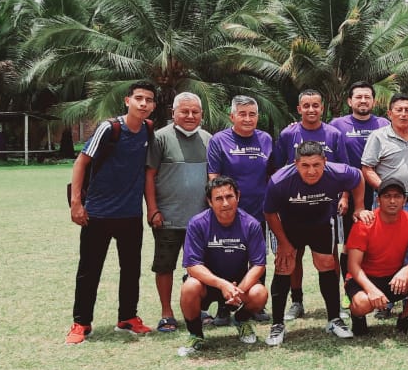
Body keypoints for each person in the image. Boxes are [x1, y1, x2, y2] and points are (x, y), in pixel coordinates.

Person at [67, 80, 157, 344]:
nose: (143, 103)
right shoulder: (110, 128)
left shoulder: (148, 129)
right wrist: (76, 203)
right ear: (127, 101)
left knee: (131, 269)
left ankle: (127, 317)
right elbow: (81, 162)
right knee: (89, 270)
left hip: (130, 214)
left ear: (153, 105)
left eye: (149, 100)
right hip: (98, 213)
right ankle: (81, 323)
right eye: (138, 98)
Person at [264, 141, 369, 345]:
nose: (311, 171)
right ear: (296, 164)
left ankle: (334, 319)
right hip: (290, 226)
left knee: (327, 263)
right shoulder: (279, 180)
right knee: (285, 266)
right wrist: (283, 243)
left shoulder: (339, 172)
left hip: (321, 224)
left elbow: (358, 177)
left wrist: (359, 206)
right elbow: (269, 213)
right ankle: (277, 325)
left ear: (325, 162)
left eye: (316, 165)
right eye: (305, 165)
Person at [273, 89, 346, 322]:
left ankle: (334, 304)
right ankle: (297, 301)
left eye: (316, 105)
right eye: (306, 106)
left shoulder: (334, 134)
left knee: (329, 256)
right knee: (293, 255)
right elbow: (278, 170)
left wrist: (344, 197)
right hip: (293, 206)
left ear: (322, 108)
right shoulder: (288, 134)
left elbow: (345, 169)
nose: (311, 109)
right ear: (299, 109)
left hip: (325, 206)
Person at [144, 91, 211, 333]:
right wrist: (152, 209)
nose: (190, 116)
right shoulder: (160, 138)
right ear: (173, 113)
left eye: (195, 112)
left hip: (201, 220)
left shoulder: (208, 139)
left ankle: (199, 309)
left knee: (199, 267)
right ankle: (166, 313)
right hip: (168, 218)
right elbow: (149, 176)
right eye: (184, 111)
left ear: (202, 114)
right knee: (165, 267)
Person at [179, 176, 268, 351]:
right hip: (207, 284)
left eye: (229, 196)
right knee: (189, 287)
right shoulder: (197, 224)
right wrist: (222, 284)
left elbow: (258, 264)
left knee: (260, 293)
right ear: (210, 202)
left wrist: (237, 290)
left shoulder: (251, 224)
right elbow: (192, 265)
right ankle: (196, 335)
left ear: (238, 196)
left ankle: (241, 320)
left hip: (238, 286)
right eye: (219, 198)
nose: (225, 203)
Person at [345, 179, 408, 338]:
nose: (392, 201)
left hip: (393, 278)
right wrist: (371, 290)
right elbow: (353, 266)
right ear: (378, 200)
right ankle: (357, 318)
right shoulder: (365, 223)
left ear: (404, 200)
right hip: (364, 279)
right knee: (362, 303)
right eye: (387, 196)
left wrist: (406, 271)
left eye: (397, 196)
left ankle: (405, 319)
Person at [329, 80, 389, 274]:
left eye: (367, 97)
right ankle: (348, 284)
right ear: (349, 101)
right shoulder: (337, 125)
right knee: (350, 242)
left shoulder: (384, 124)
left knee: (376, 241)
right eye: (358, 97)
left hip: (378, 190)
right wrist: (344, 194)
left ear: (374, 101)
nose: (363, 100)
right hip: (349, 192)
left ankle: (374, 281)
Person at [207, 95, 275, 225]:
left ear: (257, 117)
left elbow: (272, 174)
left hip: (260, 213)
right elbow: (214, 177)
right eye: (242, 114)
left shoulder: (266, 139)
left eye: (252, 114)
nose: (248, 119)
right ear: (232, 116)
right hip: (229, 213)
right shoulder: (218, 140)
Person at [361, 93, 408, 218]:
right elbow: (367, 168)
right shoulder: (378, 136)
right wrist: (385, 189)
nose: (403, 114)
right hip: (386, 202)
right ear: (390, 114)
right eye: (399, 110)